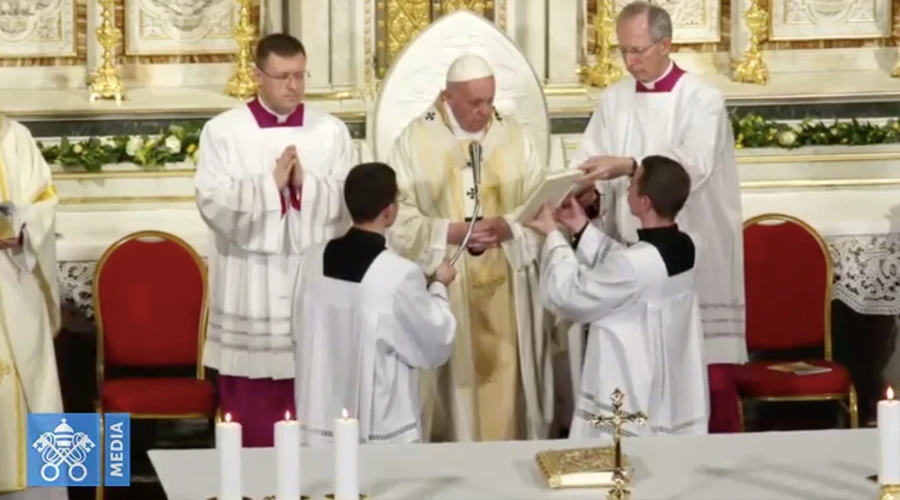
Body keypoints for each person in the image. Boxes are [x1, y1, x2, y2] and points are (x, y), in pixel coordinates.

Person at [568, 1, 744, 433]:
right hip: (625, 257)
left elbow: (692, 166)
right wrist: (586, 189)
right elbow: (588, 159)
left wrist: (630, 166)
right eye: (623, 51)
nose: (629, 62)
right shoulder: (614, 98)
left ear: (665, 44)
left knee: (686, 362)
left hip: (684, 255)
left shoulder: (701, 99)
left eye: (638, 51)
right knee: (627, 368)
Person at [195, 33, 354, 447]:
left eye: (300, 76)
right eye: (282, 76)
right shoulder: (223, 131)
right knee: (253, 402)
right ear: (256, 75)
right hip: (252, 284)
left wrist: (306, 187)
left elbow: (349, 202)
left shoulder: (330, 131)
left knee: (316, 389)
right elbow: (211, 201)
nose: (293, 87)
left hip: (311, 279)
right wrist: (269, 188)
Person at [386, 53, 555, 442]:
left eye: (490, 101)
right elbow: (396, 216)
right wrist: (450, 230)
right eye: (474, 103)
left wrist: (509, 228)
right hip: (448, 282)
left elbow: (540, 202)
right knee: (455, 395)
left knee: (509, 382)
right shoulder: (415, 141)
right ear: (447, 97)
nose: (485, 112)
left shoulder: (512, 135)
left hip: (508, 282)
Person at [529, 155, 709, 438]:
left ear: (645, 202)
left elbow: (571, 296)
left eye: (632, 184)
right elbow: (632, 268)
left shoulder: (633, 265)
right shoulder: (688, 245)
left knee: (616, 455)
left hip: (630, 378)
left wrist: (553, 237)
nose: (627, 190)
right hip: (668, 382)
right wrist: (580, 226)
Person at [293, 162, 457, 446]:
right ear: (389, 211)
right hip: (379, 422)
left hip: (318, 414)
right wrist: (439, 285)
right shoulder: (398, 274)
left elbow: (298, 331)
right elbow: (436, 339)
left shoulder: (311, 259)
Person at [0, 116, 67, 499]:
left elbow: (45, 202)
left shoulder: (15, 137)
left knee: (34, 385)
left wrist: (21, 227)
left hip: (13, 279)